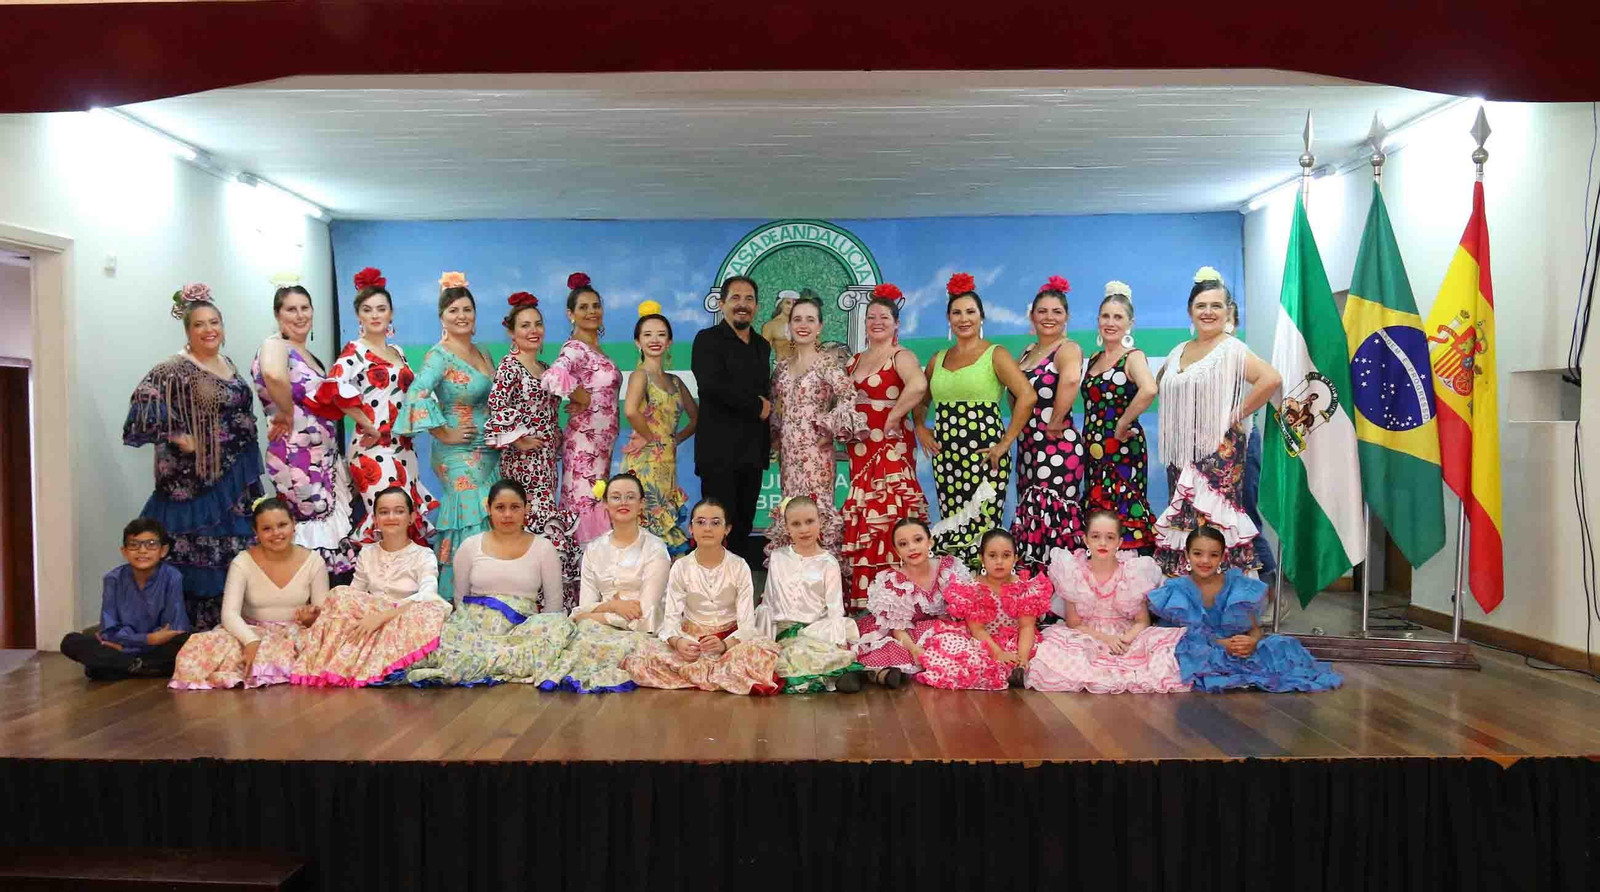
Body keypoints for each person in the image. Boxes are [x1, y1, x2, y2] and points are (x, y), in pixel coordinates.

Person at [124, 285, 265, 629]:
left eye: (214, 322)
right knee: (194, 555)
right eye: (199, 324)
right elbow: (142, 406)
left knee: (235, 557)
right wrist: (177, 435)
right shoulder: (173, 368)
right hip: (195, 485)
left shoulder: (227, 363)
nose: (209, 330)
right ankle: (190, 632)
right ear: (188, 331)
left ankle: (229, 627)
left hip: (234, 478)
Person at [1152, 267, 1281, 577]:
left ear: (1228, 311)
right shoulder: (1178, 350)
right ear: (1190, 311)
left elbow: (1270, 379)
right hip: (1182, 454)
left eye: (1216, 305)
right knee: (1186, 522)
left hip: (1218, 453)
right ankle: (1190, 600)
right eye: (1201, 306)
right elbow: (1162, 383)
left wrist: (1235, 413)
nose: (1208, 312)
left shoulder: (1232, 349)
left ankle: (1241, 599)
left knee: (1218, 524)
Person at [915, 273, 1036, 571]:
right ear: (948, 318)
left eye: (970, 312)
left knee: (984, 526)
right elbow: (921, 398)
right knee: (952, 523)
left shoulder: (995, 354)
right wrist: (920, 427)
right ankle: (958, 594)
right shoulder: (937, 359)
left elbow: (1027, 396)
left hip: (986, 456)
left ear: (981, 316)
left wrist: (1005, 443)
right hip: (946, 460)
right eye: (956, 312)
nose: (963, 318)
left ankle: (986, 595)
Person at [406, 479, 573, 686]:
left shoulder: (544, 548)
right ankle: (492, 658)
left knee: (560, 627)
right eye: (500, 507)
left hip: (521, 631)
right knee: (436, 638)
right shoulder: (470, 546)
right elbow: (460, 598)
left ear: (526, 509)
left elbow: (553, 606)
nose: (508, 514)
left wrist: (536, 632)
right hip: (474, 628)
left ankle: (494, 658)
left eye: (515, 507)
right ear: (488, 509)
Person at [315, 267, 440, 546]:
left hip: (404, 449)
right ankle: (374, 585)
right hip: (371, 448)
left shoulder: (399, 352)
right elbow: (333, 388)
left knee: (404, 520)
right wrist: (365, 422)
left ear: (391, 313)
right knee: (386, 518)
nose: (375, 315)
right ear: (359, 315)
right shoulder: (354, 350)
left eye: (381, 309)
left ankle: (404, 586)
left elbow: (416, 394)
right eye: (367, 309)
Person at [395, 272, 501, 595]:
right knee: (467, 516)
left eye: (467, 309)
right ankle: (460, 597)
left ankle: (494, 593)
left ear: (475, 315)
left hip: (489, 450)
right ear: (442, 317)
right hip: (456, 452)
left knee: (492, 514)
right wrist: (445, 434)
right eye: (453, 311)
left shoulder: (483, 351)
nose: (461, 316)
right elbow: (417, 394)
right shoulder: (438, 355)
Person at [290, 487, 452, 687]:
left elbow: (428, 596)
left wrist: (381, 618)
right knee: (341, 594)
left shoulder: (423, 554)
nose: (391, 517)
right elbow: (352, 596)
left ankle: (367, 660)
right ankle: (336, 662)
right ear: (375, 518)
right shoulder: (367, 553)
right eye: (384, 512)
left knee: (431, 608)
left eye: (399, 511)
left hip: (402, 619)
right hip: (368, 619)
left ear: (411, 517)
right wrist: (322, 613)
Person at [1147, 526, 1342, 692]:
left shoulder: (1238, 585)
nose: (1205, 561)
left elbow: (1255, 629)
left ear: (1223, 557)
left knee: (1283, 646)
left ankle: (1244, 671)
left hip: (1238, 649)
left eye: (1213, 555)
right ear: (1187, 554)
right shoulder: (1176, 590)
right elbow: (1174, 636)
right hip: (1201, 649)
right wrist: (1221, 643)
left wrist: (1251, 642)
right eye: (1198, 553)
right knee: (1186, 654)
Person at [622, 498, 782, 695]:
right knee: (643, 660)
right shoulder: (681, 567)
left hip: (730, 641)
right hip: (691, 640)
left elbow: (747, 624)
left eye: (716, 523)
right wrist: (678, 642)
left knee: (759, 655)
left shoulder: (739, 565)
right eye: (700, 522)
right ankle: (714, 674)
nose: (708, 528)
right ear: (691, 528)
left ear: (727, 529)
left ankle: (702, 672)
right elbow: (670, 619)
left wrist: (724, 645)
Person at [169, 497, 330, 690]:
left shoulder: (314, 561)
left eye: (282, 525)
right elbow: (229, 614)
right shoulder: (242, 562)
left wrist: (311, 619)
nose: (276, 533)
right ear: (256, 532)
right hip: (250, 632)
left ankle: (267, 668)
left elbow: (323, 612)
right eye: (267, 528)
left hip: (295, 635)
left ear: (293, 525)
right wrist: (251, 641)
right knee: (198, 649)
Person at [485, 291, 582, 608]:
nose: (533, 331)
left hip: (546, 467)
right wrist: (520, 439)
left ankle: (554, 607)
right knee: (533, 528)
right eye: (525, 325)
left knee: (546, 531)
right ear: (512, 332)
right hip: (522, 467)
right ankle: (527, 605)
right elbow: (496, 409)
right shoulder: (510, 367)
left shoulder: (546, 367)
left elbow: (567, 404)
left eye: (538, 324)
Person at [253, 284, 358, 576]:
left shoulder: (308, 353)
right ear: (277, 315)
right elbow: (273, 375)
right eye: (291, 309)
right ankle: (305, 600)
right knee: (306, 526)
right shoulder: (275, 345)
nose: (299, 315)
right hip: (295, 456)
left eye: (305, 308)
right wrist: (286, 412)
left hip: (321, 457)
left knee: (327, 527)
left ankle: (325, 603)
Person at [1025, 510, 1188, 693]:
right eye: (1095, 536)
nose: (1102, 543)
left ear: (1119, 542)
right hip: (1087, 635)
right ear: (1086, 540)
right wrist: (1106, 639)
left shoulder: (1133, 572)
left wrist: (1124, 640)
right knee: (1052, 648)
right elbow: (1073, 623)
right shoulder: (1073, 572)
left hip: (1125, 636)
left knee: (1168, 647)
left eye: (1110, 538)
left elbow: (1142, 621)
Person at [840, 285, 929, 603]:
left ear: (896, 324)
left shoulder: (901, 355)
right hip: (860, 454)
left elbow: (919, 385)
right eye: (871, 317)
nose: (877, 321)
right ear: (864, 323)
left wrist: (894, 416)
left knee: (891, 519)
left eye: (884, 317)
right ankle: (866, 603)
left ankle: (901, 602)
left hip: (890, 451)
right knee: (865, 522)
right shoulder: (853, 361)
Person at [545, 472, 672, 693]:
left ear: (641, 504)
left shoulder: (655, 548)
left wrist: (597, 615)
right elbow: (582, 609)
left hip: (638, 632)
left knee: (621, 648)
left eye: (630, 497)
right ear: (605, 504)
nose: (623, 502)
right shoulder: (594, 549)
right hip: (596, 628)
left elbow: (647, 614)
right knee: (562, 637)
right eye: (615, 497)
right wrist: (613, 606)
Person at [764, 294, 863, 566]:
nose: (803, 324)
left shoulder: (827, 364)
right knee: (791, 510)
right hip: (789, 455)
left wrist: (828, 428)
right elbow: (775, 408)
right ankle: (791, 581)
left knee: (815, 512)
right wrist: (774, 438)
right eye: (797, 319)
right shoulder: (782, 368)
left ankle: (823, 584)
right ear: (789, 326)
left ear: (820, 327)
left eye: (810, 319)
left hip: (816, 454)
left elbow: (849, 397)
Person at [690, 275, 772, 566]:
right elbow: (711, 386)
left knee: (743, 525)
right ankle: (707, 589)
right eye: (735, 298)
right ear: (722, 304)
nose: (742, 305)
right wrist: (757, 406)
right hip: (718, 454)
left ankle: (738, 587)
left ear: (757, 307)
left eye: (749, 299)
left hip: (752, 453)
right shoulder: (707, 340)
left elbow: (766, 394)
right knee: (714, 525)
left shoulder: (763, 346)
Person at [1009, 275, 1086, 574]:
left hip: (1056, 445)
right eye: (1042, 311)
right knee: (1032, 512)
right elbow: (1015, 391)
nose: (1049, 317)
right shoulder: (1028, 351)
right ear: (1032, 316)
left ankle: (1059, 589)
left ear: (1066, 317)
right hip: (1029, 446)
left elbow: (1069, 379)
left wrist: (1055, 420)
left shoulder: (1067, 348)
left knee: (1053, 513)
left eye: (1056, 311)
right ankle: (1034, 588)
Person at [756, 497, 873, 693]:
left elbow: (835, 608)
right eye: (796, 523)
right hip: (783, 630)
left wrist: (838, 641)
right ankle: (838, 674)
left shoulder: (828, 563)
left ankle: (842, 670)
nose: (804, 529)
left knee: (809, 646)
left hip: (816, 629)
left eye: (809, 521)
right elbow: (768, 602)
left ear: (820, 522)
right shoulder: (778, 558)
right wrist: (765, 640)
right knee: (778, 656)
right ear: (786, 527)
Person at [541, 272, 622, 546]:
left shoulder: (596, 349)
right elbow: (554, 377)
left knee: (597, 503)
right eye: (584, 307)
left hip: (603, 447)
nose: (591, 312)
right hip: (584, 446)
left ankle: (592, 580)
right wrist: (581, 398)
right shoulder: (575, 348)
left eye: (596, 306)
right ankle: (576, 582)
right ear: (570, 314)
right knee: (583, 506)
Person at [915, 528, 1052, 690]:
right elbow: (978, 630)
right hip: (983, 641)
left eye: (1006, 555)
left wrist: (1022, 658)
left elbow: (1027, 626)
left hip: (1017, 641)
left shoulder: (1024, 588)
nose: (999, 561)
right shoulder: (974, 589)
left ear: (1016, 558)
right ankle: (1000, 670)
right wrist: (997, 653)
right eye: (992, 556)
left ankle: (1018, 671)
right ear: (982, 558)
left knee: (1044, 659)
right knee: (960, 655)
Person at [59, 519, 191, 680]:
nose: (142, 550)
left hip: (151, 648)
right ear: (124, 552)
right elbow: (109, 631)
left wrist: (127, 647)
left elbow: (174, 629)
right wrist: (147, 639)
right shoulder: (113, 579)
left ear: (163, 550)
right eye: (134, 545)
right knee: (70, 641)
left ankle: (121, 665)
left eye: (150, 544)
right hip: (131, 646)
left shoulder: (172, 577)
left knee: (185, 641)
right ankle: (140, 666)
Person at [1080, 281, 1158, 553]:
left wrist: (1123, 422)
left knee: (1123, 507)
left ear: (1130, 323)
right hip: (1094, 450)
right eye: (1105, 316)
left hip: (1123, 448)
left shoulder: (1132, 357)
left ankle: (1130, 576)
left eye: (1118, 317)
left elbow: (1149, 389)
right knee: (1098, 510)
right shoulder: (1093, 358)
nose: (1110, 322)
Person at [620, 302, 695, 556]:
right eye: (647, 335)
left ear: (670, 342)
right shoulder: (640, 376)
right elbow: (630, 410)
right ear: (637, 342)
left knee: (665, 525)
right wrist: (651, 437)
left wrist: (674, 439)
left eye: (661, 334)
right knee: (643, 524)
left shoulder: (676, 381)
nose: (655, 340)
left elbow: (696, 419)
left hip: (667, 463)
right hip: (644, 462)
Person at [853, 518, 969, 680]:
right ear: (896, 550)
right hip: (903, 633)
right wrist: (914, 649)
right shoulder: (894, 582)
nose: (912, 547)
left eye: (918, 540)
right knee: (892, 651)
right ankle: (877, 674)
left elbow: (965, 609)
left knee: (958, 646)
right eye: (903, 544)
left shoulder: (949, 569)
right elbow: (897, 629)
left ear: (930, 542)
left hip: (941, 628)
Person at [1227, 300, 1280, 591]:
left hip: (1241, 443)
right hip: (1210, 451)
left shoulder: (1238, 352)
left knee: (1243, 513)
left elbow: (1270, 380)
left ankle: (1268, 587)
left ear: (1232, 321)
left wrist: (1234, 415)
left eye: (1223, 313)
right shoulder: (1197, 354)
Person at [762, 290, 798, 364]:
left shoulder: (801, 324)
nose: (791, 306)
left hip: (801, 367)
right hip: (780, 367)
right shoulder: (770, 326)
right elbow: (762, 353)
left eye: (794, 303)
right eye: (788, 303)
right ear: (780, 304)